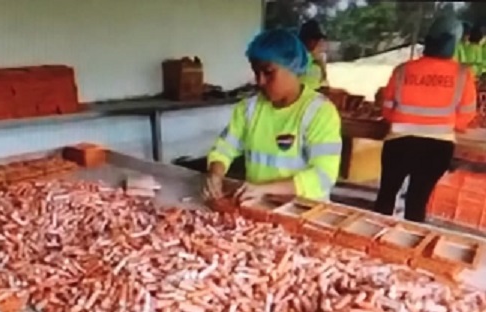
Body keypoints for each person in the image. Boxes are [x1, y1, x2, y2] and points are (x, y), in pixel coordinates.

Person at [204, 29, 342, 203]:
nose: (260, 81)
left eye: (268, 72)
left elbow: (323, 176)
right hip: (257, 204)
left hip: (304, 211)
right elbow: (224, 148)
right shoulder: (248, 109)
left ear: (293, 67)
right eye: (256, 73)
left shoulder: (319, 112)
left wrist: (266, 189)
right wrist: (215, 174)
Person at [375, 14, 476, 223]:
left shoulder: (402, 70)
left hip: (399, 144)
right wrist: (445, 125)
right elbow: (466, 116)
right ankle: (410, 250)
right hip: (437, 149)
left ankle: (370, 241)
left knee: (385, 198)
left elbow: (386, 110)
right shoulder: (463, 75)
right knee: (417, 202)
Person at [298, 19, 328, 91]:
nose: (319, 43)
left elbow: (323, 82)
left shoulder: (318, 60)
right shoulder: (298, 58)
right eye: (317, 39)